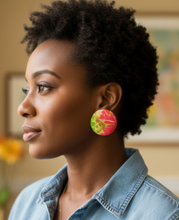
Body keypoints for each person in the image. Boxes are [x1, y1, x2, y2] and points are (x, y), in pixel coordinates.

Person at [8, 0, 179, 219]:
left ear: (106, 98)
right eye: (27, 89)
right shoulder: (26, 204)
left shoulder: (163, 215)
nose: (23, 107)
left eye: (43, 87)